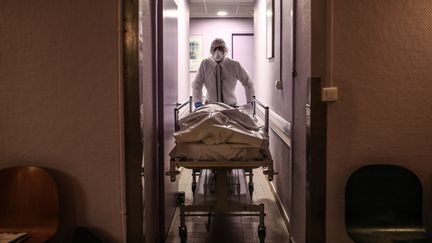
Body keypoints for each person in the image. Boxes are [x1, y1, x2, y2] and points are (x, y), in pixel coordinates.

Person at [192, 38, 255, 109]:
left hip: (230, 107)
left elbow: (248, 82)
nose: (218, 52)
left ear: (225, 50)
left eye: (220, 49)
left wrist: (250, 101)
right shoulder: (205, 64)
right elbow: (196, 84)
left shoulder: (234, 64)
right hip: (211, 107)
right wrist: (198, 103)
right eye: (215, 49)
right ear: (211, 50)